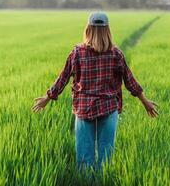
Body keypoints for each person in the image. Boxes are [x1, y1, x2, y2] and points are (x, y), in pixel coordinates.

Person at [32, 11, 158, 175]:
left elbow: (63, 78)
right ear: (108, 30)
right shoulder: (115, 54)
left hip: (84, 109)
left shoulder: (77, 52)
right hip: (108, 107)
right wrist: (145, 101)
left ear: (88, 29)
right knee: (106, 156)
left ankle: (86, 181)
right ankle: (103, 180)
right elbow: (130, 80)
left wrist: (47, 97)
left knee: (85, 156)